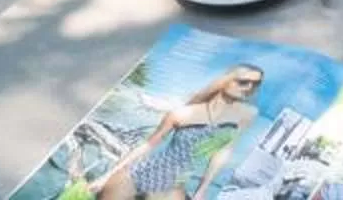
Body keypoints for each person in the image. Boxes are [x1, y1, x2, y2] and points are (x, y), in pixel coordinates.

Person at [97, 64, 265, 200]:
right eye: (243, 81)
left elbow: (223, 151)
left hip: (175, 184)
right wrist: (107, 176)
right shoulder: (183, 113)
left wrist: (202, 190)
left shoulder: (246, 114)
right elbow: (148, 144)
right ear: (226, 81)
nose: (249, 87)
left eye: (255, 84)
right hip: (139, 174)